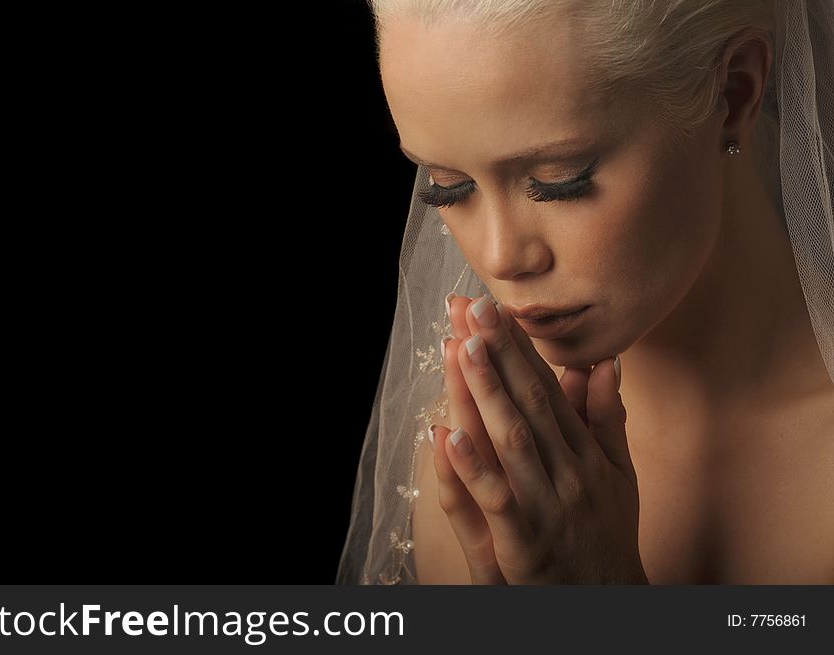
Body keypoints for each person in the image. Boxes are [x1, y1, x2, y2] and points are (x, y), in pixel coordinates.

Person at [337, 0, 834, 584]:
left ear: (733, 92)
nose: (500, 256)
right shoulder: (478, 463)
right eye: (448, 189)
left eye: (560, 180)